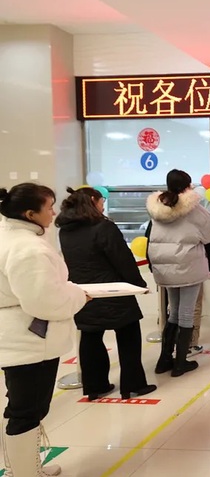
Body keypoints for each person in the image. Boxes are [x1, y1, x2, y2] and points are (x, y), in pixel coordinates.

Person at [0, 183, 89, 476]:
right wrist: (78, 295)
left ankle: (21, 468)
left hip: (16, 337)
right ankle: (25, 472)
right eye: (49, 207)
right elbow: (45, 301)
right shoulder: (28, 248)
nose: (53, 213)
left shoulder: (10, 236)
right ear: (30, 214)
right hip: (30, 342)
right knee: (28, 410)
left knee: (21, 407)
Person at [56, 187, 157, 401]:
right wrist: (138, 284)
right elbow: (122, 259)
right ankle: (133, 385)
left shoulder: (65, 230)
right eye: (102, 200)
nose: (103, 205)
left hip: (84, 293)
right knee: (128, 336)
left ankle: (95, 386)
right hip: (113, 291)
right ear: (93, 200)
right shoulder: (104, 227)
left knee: (90, 337)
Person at [146, 170, 210, 377]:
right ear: (188, 186)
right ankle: (180, 362)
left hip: (165, 268)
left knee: (174, 312)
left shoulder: (157, 207)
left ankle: (164, 360)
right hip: (188, 266)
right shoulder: (193, 209)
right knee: (186, 313)